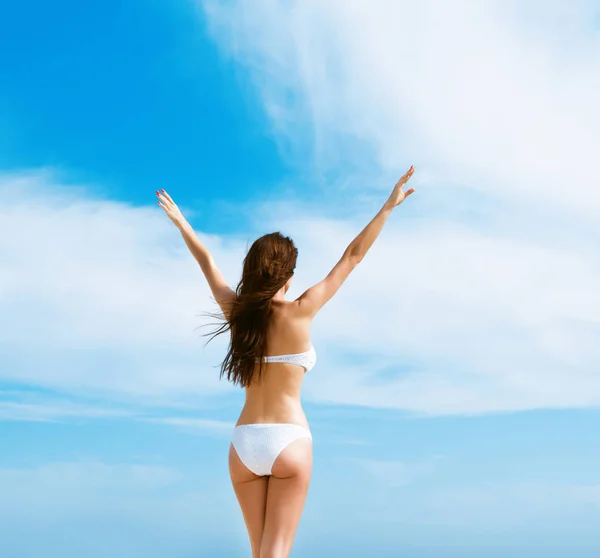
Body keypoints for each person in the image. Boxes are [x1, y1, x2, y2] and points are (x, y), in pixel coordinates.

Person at [156, 165, 415, 558]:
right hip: (289, 441)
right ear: (288, 275)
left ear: (252, 271)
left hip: (243, 443)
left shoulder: (238, 314)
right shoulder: (302, 310)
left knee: (260, 554)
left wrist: (182, 224)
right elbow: (353, 256)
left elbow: (206, 261)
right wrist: (387, 207)